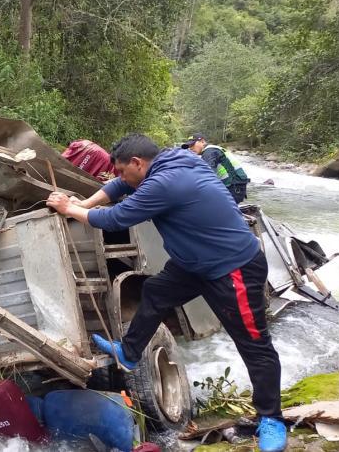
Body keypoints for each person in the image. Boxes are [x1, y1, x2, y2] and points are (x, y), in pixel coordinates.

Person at [45, 133, 286, 452]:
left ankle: (272, 419)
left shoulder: (164, 184)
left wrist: (68, 208)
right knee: (156, 291)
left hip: (233, 268)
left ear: (137, 163)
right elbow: (120, 187)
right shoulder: (171, 159)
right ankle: (129, 354)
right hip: (193, 263)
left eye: (121, 170)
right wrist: (84, 203)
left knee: (254, 345)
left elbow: (117, 217)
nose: (118, 177)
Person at [182, 134, 250, 203]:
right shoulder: (213, 149)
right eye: (189, 146)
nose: (190, 148)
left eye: (192, 145)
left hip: (233, 187)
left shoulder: (209, 152)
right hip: (236, 186)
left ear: (202, 141)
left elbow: (206, 176)